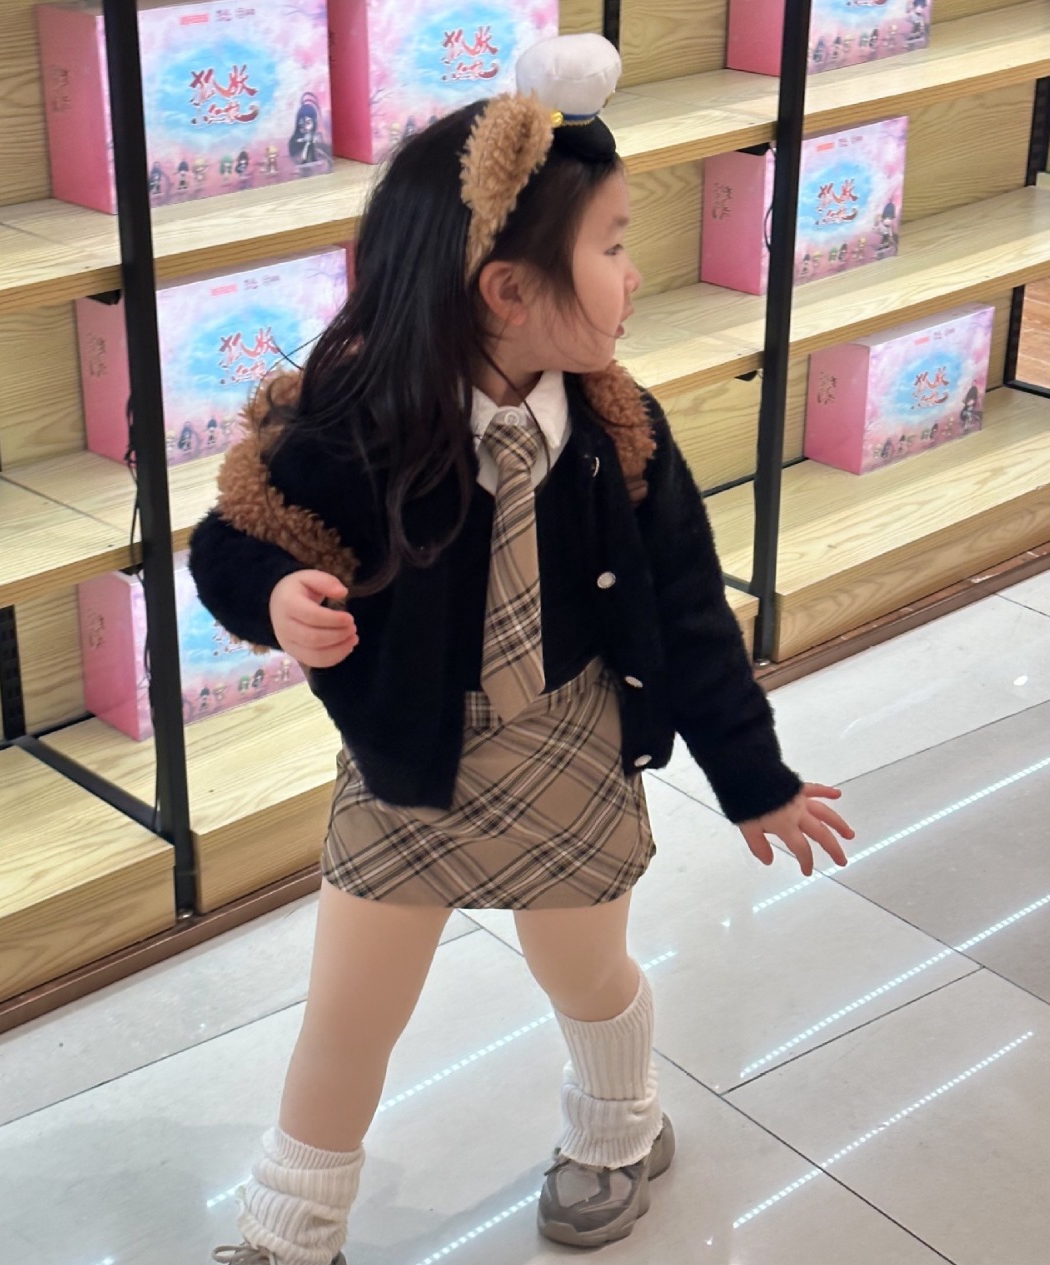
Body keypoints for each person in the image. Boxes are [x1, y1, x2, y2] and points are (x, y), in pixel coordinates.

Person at [189, 33, 853, 1265]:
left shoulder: (619, 432)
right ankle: (286, 1235)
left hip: (568, 747)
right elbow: (232, 537)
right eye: (610, 247)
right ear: (506, 289)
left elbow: (690, 614)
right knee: (347, 1014)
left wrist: (752, 776)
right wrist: (274, 595)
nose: (633, 275)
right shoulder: (357, 421)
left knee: (584, 973)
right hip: (404, 761)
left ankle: (618, 1125)